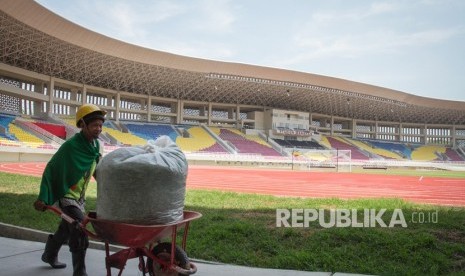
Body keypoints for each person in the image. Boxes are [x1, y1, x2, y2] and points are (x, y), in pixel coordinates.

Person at [33, 103, 106, 276]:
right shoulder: (70, 146)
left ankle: (49, 255)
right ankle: (79, 273)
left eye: (101, 125)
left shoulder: (95, 146)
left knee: (66, 229)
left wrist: (108, 186)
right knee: (80, 228)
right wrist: (43, 197)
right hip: (67, 196)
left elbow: (95, 167)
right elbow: (52, 169)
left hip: (79, 199)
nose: (99, 129)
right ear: (83, 124)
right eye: (95, 125)